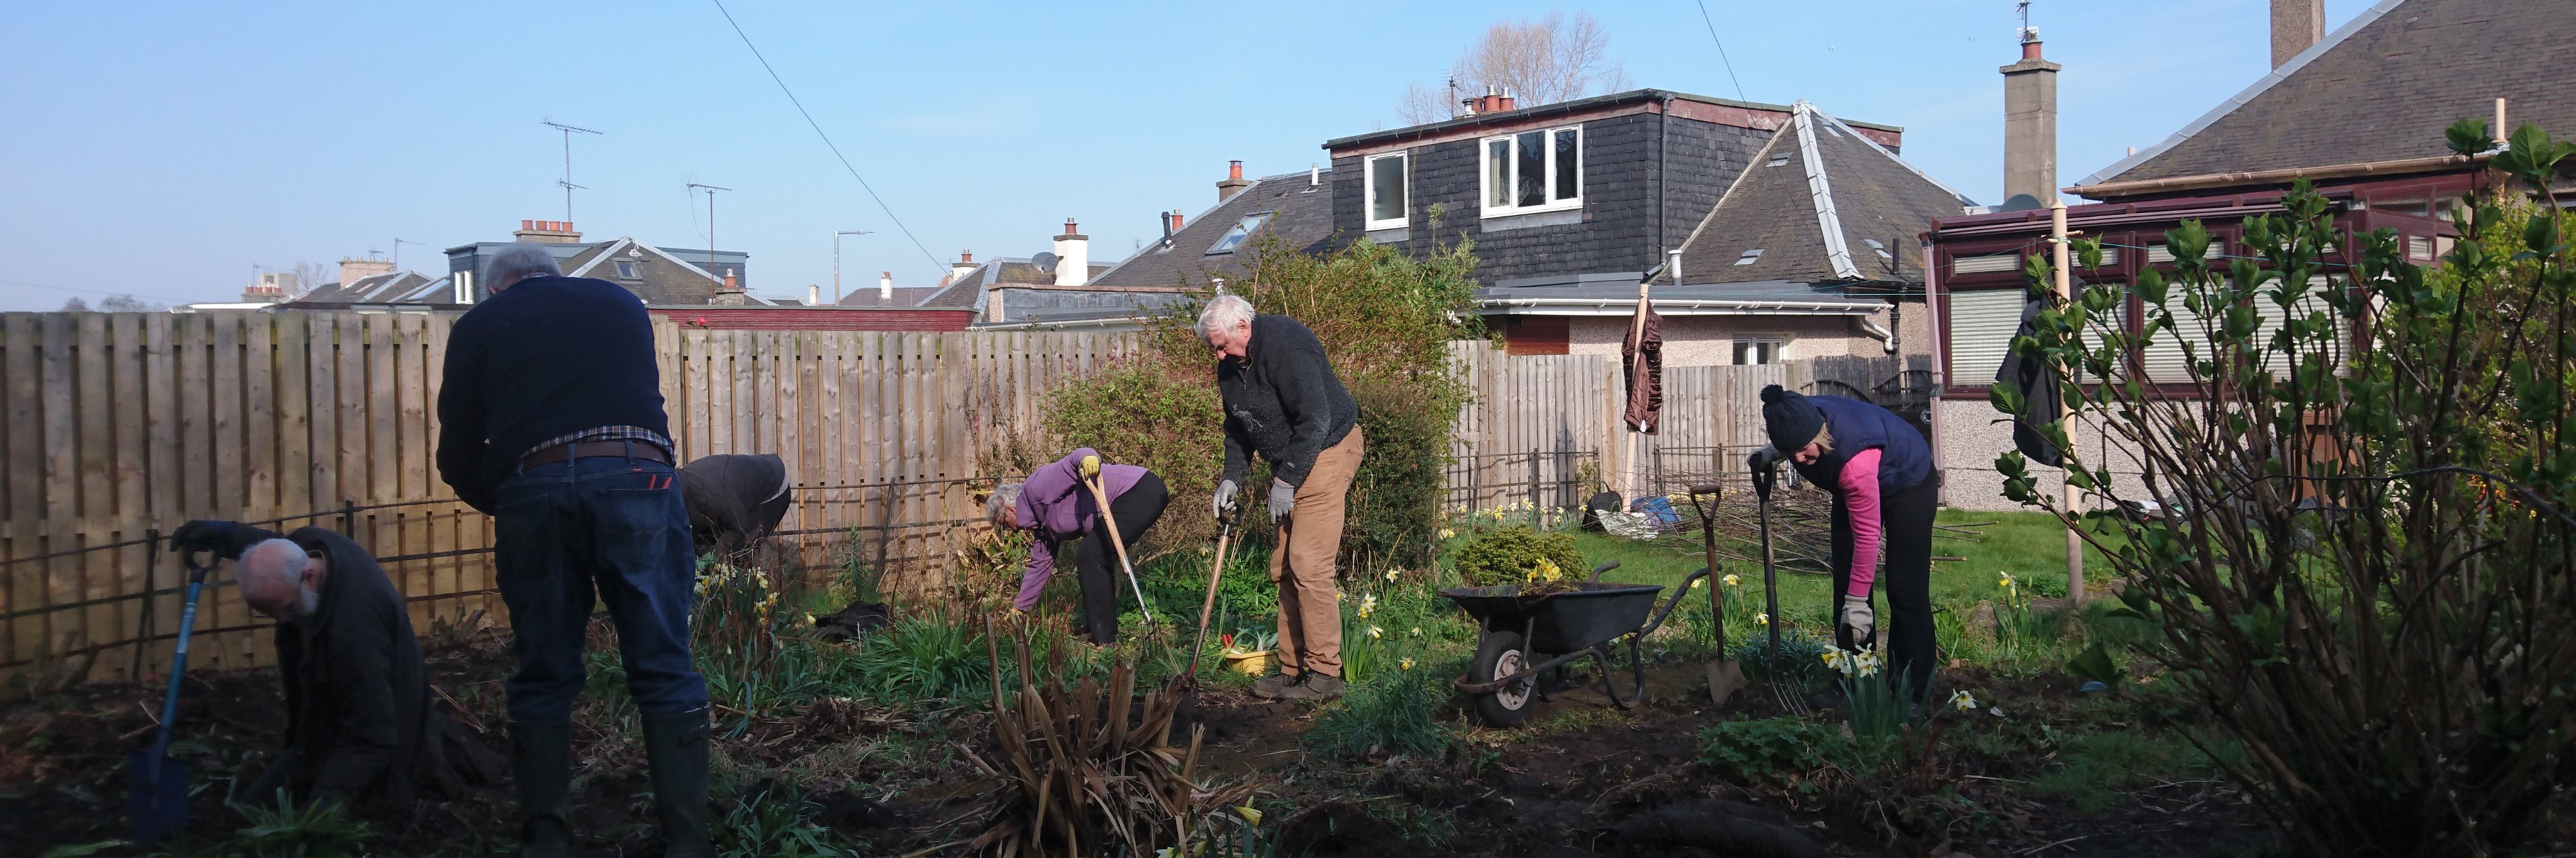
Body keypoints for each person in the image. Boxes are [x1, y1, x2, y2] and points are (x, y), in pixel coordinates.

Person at [436, 243, 709, 858]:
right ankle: (688, 843)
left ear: (496, 289)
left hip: (534, 483)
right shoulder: (621, 303)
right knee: (665, 667)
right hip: (639, 477)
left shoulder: (479, 324)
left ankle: (546, 844)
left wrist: (512, 501)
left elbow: (456, 456)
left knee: (544, 674)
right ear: (556, 276)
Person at [166, 519, 495, 808]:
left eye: (286, 608)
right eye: (271, 613)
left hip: (383, 745)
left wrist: (325, 802)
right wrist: (228, 535)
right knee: (252, 806)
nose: (283, 620)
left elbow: (374, 737)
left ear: (308, 577)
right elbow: (276, 549)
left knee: (267, 808)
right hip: (329, 715)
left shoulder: (353, 631)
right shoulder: (312, 546)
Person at [1196, 294, 1363, 702]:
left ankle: (1325, 674)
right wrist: (1231, 479)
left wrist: (1286, 480)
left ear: (1243, 326)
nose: (1218, 355)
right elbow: (1238, 427)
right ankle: (1293, 671)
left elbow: (1316, 419)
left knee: (1309, 563)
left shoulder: (1288, 344)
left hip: (1327, 448)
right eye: (1213, 349)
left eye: (1222, 346)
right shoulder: (1230, 367)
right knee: (1284, 566)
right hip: (1293, 458)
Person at [1757, 383, 1938, 702]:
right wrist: (1776, 451)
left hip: (1908, 481)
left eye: (1803, 449)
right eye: (1790, 451)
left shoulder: (1854, 463)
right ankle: (1852, 681)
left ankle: (1913, 690)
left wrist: (1858, 604)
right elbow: (1794, 435)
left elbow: (1868, 538)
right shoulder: (1797, 413)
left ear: (1819, 434)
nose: (1798, 458)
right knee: (1846, 581)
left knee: (1905, 587)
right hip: (1854, 483)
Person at [987, 448, 1169, 644]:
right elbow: (1039, 567)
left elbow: (1076, 459)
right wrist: (1019, 608)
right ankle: (1100, 630)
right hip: (1129, 498)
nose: (1011, 531)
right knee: (1094, 557)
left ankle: (1104, 639)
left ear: (1011, 510)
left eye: (1005, 525)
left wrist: (1089, 459)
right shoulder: (1042, 528)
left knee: (1090, 557)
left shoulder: (1037, 488)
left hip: (1139, 491)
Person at [679, 453, 792, 558]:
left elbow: (740, 527)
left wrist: (712, 559)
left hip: (773, 489)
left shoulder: (713, 495)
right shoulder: (679, 492)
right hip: (729, 493)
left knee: (737, 551)